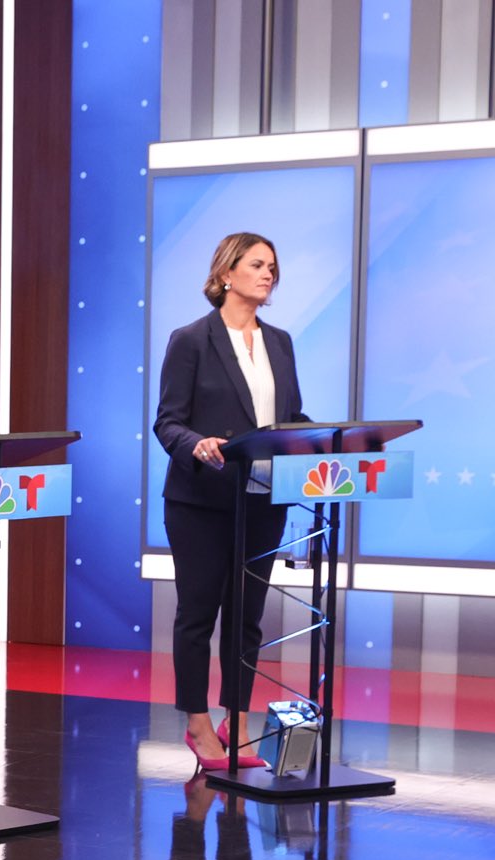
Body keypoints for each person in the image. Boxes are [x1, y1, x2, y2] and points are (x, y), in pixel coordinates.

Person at [153, 232, 308, 770]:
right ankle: (197, 724)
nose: (268, 274)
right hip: (200, 500)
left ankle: (237, 720)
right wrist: (195, 444)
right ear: (226, 274)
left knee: (247, 618)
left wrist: (326, 439)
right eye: (257, 265)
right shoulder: (191, 340)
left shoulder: (281, 342)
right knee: (198, 614)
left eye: (272, 266)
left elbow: (292, 419)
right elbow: (167, 420)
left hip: (262, 500)